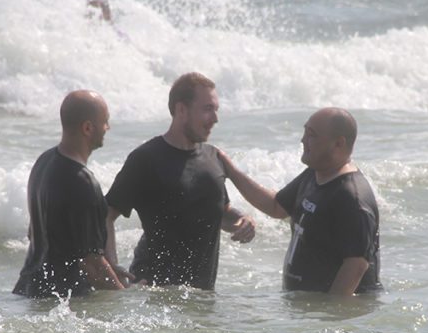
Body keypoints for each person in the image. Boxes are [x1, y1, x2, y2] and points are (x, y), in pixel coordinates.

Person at [104, 72, 255, 289]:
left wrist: (243, 220)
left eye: (216, 109)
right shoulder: (146, 158)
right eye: (207, 109)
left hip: (201, 296)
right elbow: (106, 214)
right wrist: (112, 267)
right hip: (154, 297)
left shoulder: (212, 158)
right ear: (181, 109)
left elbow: (218, 212)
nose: (215, 118)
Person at [219, 107, 381, 295]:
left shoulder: (351, 197)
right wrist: (230, 170)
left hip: (329, 314)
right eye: (305, 132)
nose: (303, 140)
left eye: (312, 135)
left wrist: (329, 316)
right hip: (307, 311)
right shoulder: (316, 173)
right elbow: (276, 206)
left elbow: (356, 264)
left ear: (338, 143)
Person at [13, 90, 125, 298]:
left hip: (29, 289)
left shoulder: (43, 162)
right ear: (88, 128)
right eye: (105, 122)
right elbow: (92, 265)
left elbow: (35, 234)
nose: (108, 128)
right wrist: (123, 296)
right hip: (62, 301)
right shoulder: (82, 183)